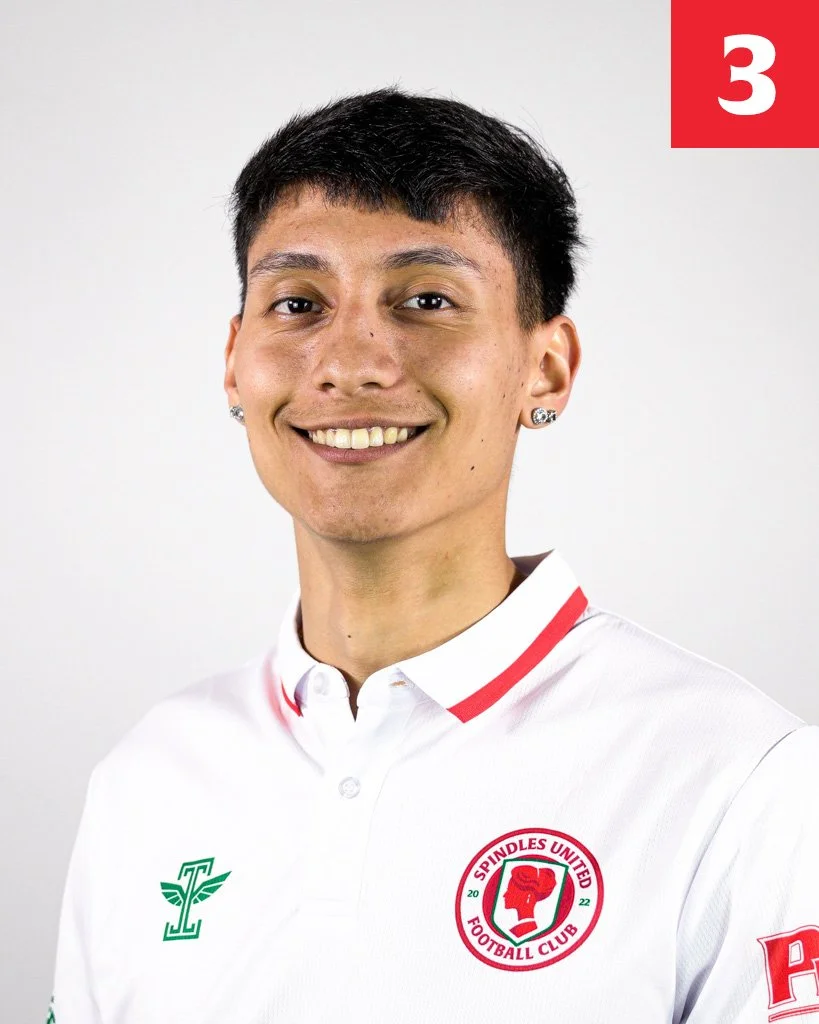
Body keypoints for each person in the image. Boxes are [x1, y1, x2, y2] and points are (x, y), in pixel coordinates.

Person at [48, 86, 819, 1023]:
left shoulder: (737, 774)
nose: (351, 361)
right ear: (233, 361)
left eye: (426, 299)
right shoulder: (149, 777)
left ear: (547, 368)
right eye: (297, 302)